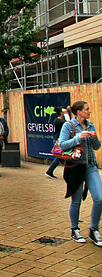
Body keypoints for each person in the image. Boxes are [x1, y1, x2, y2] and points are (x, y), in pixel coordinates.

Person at [58, 101, 102, 246]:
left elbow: (97, 147)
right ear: (79, 112)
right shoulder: (68, 125)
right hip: (75, 167)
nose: (89, 112)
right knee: (76, 200)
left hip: (90, 166)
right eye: (87, 109)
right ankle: (74, 229)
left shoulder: (90, 125)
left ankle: (94, 230)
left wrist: (94, 138)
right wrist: (79, 138)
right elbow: (62, 144)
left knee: (99, 198)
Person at [46, 107, 70, 179]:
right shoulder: (58, 121)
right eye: (65, 112)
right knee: (59, 157)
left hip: (63, 140)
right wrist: (66, 115)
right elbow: (68, 124)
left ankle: (50, 172)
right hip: (58, 141)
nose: (67, 112)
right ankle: (49, 172)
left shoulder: (63, 120)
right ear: (61, 113)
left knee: (62, 157)